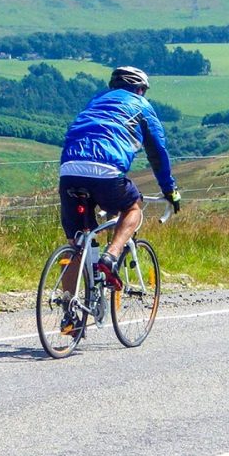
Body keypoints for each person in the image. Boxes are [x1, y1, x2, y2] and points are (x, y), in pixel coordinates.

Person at [58, 66, 181, 329]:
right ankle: (111, 256)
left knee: (78, 244)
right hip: (106, 172)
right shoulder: (142, 106)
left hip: (69, 172)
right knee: (133, 206)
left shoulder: (95, 102)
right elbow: (158, 153)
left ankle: (69, 315)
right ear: (140, 89)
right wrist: (169, 189)